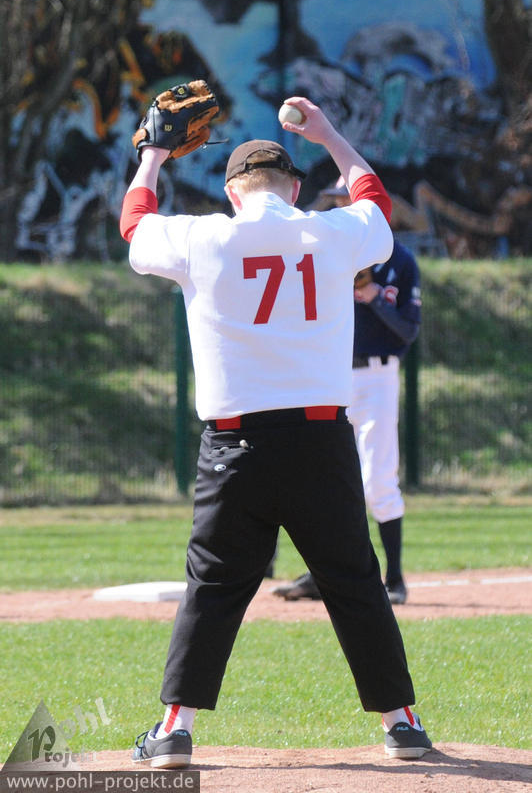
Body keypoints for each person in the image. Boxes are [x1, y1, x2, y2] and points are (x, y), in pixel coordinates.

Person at [119, 95, 432, 768]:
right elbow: (375, 201)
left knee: (213, 586)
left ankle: (174, 729)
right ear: (293, 188)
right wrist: (331, 135)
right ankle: (402, 724)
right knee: (355, 581)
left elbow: (134, 224)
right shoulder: (331, 233)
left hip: (234, 445)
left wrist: (152, 156)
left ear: (233, 193)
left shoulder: (204, 237)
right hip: (321, 442)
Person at [273, 181, 421, 605]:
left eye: (346, 201)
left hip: (376, 377)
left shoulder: (399, 261)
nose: (340, 208)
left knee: (377, 479)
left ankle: (395, 579)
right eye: (337, 201)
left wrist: (374, 299)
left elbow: (408, 330)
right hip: (328, 377)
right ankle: (322, 575)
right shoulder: (326, 258)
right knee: (322, 477)